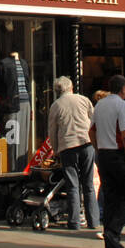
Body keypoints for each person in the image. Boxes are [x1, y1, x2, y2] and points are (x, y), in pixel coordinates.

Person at [89, 74, 125, 248]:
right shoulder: (122, 105)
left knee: (110, 197)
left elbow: (91, 132)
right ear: (123, 88)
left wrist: (99, 149)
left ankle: (111, 244)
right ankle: (113, 231)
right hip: (118, 155)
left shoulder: (100, 105)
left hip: (104, 155)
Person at [48, 76, 98, 231]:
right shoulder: (83, 100)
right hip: (86, 142)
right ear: (71, 88)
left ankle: (74, 222)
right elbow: (94, 120)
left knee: (72, 185)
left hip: (68, 146)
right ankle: (93, 221)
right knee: (88, 184)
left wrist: (56, 150)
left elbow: (52, 131)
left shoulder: (55, 106)